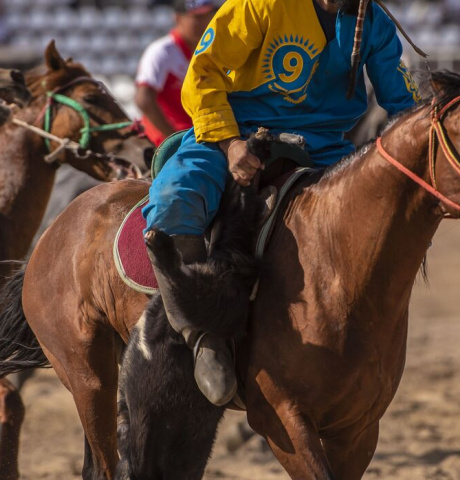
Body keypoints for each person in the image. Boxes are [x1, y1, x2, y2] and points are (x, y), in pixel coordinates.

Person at [143, 0, 419, 405]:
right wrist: (231, 143)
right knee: (174, 199)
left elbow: (403, 106)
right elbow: (202, 75)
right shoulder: (262, 4)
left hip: (323, 144)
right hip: (234, 131)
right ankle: (203, 335)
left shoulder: (372, 20)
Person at [134, 0, 219, 145]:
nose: (206, 22)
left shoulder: (213, 49)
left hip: (200, 139)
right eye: (197, 18)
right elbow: (144, 100)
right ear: (178, 18)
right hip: (166, 145)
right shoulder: (162, 51)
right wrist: (173, 138)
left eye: (209, 16)